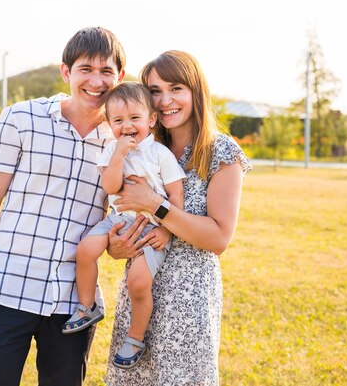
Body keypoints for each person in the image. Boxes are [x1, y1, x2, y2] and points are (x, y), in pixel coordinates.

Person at [0, 26, 126, 386]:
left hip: (72, 304)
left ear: (120, 77)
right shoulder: (20, 120)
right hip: (4, 291)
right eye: (86, 69)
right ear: (66, 72)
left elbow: (120, 216)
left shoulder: (122, 142)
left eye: (106, 71)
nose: (96, 81)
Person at [104, 50, 252, 385]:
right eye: (155, 91)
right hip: (140, 295)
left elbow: (218, 239)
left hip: (188, 303)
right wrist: (116, 245)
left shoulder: (220, 153)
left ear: (195, 91)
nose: (165, 100)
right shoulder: (140, 149)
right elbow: (120, 210)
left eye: (176, 89)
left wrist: (156, 204)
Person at [61, 82, 185, 369]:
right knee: (86, 250)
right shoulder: (111, 152)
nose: (127, 126)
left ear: (151, 120)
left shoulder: (160, 154)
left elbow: (176, 195)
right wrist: (118, 155)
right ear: (109, 123)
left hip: (152, 226)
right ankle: (87, 305)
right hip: (119, 219)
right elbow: (111, 186)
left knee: (138, 283)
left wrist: (166, 230)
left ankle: (135, 338)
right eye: (118, 120)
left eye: (134, 119)